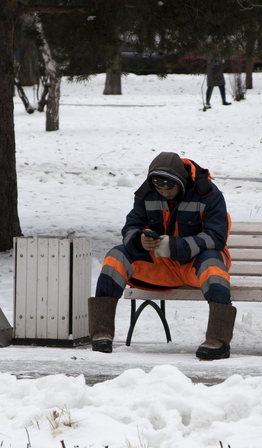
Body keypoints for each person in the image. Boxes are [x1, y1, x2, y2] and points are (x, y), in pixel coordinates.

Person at [88, 152, 237, 360]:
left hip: (194, 265)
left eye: (169, 188)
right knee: (116, 256)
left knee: (214, 264)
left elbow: (217, 237)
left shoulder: (209, 194)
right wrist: (138, 240)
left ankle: (218, 341)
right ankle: (101, 334)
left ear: (182, 182)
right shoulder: (145, 194)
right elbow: (131, 226)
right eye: (159, 188)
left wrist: (177, 245)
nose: (164, 192)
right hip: (160, 267)